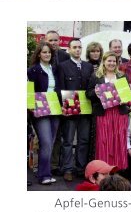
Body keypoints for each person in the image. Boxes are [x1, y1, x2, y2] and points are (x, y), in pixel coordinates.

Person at [56, 38, 94, 181]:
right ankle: (67, 169)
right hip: (69, 109)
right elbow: (59, 87)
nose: (77, 49)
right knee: (68, 140)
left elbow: (90, 87)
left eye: (79, 47)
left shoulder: (88, 66)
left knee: (83, 140)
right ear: (69, 49)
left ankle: (81, 168)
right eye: (74, 47)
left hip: (85, 109)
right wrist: (62, 105)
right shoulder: (63, 66)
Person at [87, 52, 129, 171]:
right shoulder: (96, 76)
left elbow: (127, 94)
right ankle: (103, 169)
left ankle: (118, 168)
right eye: (109, 61)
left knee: (118, 140)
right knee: (103, 141)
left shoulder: (122, 76)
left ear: (117, 63)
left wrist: (124, 99)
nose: (111, 63)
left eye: (114, 61)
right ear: (104, 62)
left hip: (119, 113)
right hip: (103, 113)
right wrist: (95, 93)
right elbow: (88, 93)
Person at [27, 41, 61, 185]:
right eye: (44, 52)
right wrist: (30, 107)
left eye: (49, 52)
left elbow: (59, 89)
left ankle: (43, 173)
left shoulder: (55, 69)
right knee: (46, 142)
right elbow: (29, 90)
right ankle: (44, 175)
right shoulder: (33, 70)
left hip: (55, 109)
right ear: (39, 54)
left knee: (50, 143)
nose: (47, 54)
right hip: (40, 109)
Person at [85, 41, 104, 160]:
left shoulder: (105, 65)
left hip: (101, 106)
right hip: (87, 102)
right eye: (92, 51)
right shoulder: (86, 66)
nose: (95, 53)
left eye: (97, 51)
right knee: (88, 136)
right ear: (88, 53)